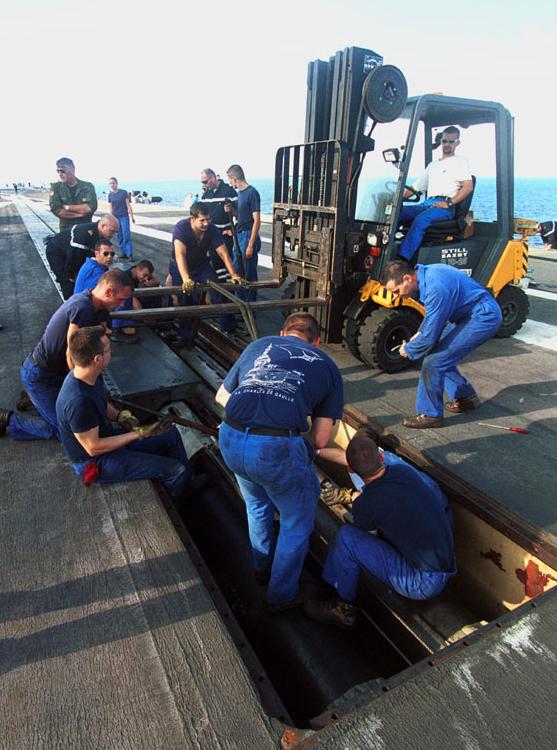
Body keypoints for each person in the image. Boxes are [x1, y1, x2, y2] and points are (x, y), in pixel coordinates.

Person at [216, 312, 344, 612]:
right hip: (274, 449)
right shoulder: (327, 366)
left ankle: (261, 567)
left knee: (257, 505)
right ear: (317, 341)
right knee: (295, 523)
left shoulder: (259, 345)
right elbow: (322, 440)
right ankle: (280, 595)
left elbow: (222, 397)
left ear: (283, 333)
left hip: (231, 438)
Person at [304, 434, 456, 629]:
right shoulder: (403, 472)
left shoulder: (366, 505)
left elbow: (371, 540)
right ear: (382, 457)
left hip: (423, 582)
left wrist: (354, 500)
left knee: (347, 538)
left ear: (350, 469)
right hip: (447, 561)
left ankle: (343, 609)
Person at [55, 326, 195, 498]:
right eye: (108, 350)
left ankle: (188, 482)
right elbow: (94, 447)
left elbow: (102, 402)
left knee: (170, 434)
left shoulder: (89, 375)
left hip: (106, 438)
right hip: (96, 461)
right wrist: (140, 433)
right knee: (176, 470)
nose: (111, 352)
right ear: (97, 359)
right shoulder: (78, 401)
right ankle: (180, 500)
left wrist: (120, 416)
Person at [0, 270, 133, 441]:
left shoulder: (101, 309)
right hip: (41, 375)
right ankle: (10, 420)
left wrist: (116, 414)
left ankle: (36, 400)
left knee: (81, 414)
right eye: (121, 299)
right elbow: (71, 353)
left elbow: (98, 344)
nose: (122, 304)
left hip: (57, 372)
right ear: (108, 292)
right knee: (67, 431)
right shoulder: (82, 307)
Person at [381, 260, 503, 428]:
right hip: (467, 314)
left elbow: (429, 336)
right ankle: (466, 398)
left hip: (483, 316)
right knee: (438, 355)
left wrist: (408, 349)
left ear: (407, 278)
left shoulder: (435, 287)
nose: (396, 296)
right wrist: (419, 334)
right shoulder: (428, 273)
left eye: (396, 290)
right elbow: (432, 319)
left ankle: (430, 415)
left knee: (434, 361)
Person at [169, 202, 245, 347]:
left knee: (218, 290)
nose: (206, 223)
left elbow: (223, 253)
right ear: (193, 219)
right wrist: (186, 279)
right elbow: (180, 255)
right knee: (184, 301)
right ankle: (186, 337)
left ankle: (229, 328)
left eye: (208, 220)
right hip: (180, 266)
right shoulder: (181, 228)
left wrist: (234, 274)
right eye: (202, 220)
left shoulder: (212, 229)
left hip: (201, 265)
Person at [397, 127, 473, 263]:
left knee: (421, 220)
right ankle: (386, 249)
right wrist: (396, 198)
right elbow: (415, 187)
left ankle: (402, 260)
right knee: (397, 213)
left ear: (457, 143)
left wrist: (449, 203)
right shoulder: (433, 165)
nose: (447, 145)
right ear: (440, 141)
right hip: (427, 204)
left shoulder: (460, 162)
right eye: (445, 141)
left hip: (444, 207)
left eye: (451, 141)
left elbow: (468, 186)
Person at [45, 214, 119, 299]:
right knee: (68, 281)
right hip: (58, 253)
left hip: (74, 253)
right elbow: (73, 257)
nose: (114, 235)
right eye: (112, 231)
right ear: (102, 226)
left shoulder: (101, 234)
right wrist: (72, 276)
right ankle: (70, 303)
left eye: (115, 232)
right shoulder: (84, 234)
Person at [226, 164, 261, 302]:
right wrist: (232, 211)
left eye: (229, 180)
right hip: (240, 235)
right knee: (238, 271)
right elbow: (241, 216)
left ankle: (249, 307)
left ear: (234, 178)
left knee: (248, 274)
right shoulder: (240, 194)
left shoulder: (252, 193)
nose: (230, 184)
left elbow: (256, 220)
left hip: (247, 236)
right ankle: (240, 305)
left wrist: (251, 245)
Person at [200, 168, 238, 282]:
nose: (204, 184)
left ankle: (229, 292)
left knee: (228, 264)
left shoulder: (229, 191)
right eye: (202, 182)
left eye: (205, 181)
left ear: (213, 178)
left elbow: (241, 214)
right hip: (211, 236)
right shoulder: (205, 195)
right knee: (216, 265)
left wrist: (234, 229)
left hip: (225, 236)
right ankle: (222, 291)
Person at [49, 157, 98, 232]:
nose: (60, 174)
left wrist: (67, 207)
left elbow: (90, 207)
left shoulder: (87, 186)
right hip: (66, 231)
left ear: (72, 169)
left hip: (85, 230)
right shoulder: (56, 187)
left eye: (62, 170)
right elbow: (56, 209)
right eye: (58, 171)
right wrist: (79, 214)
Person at [108, 177, 135, 259]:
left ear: (117, 183)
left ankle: (129, 254)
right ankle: (124, 253)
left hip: (124, 216)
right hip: (115, 218)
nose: (112, 185)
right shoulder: (110, 195)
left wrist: (132, 216)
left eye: (113, 183)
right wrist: (110, 218)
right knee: (119, 236)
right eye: (110, 183)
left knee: (126, 235)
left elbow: (128, 205)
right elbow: (111, 208)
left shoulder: (123, 193)